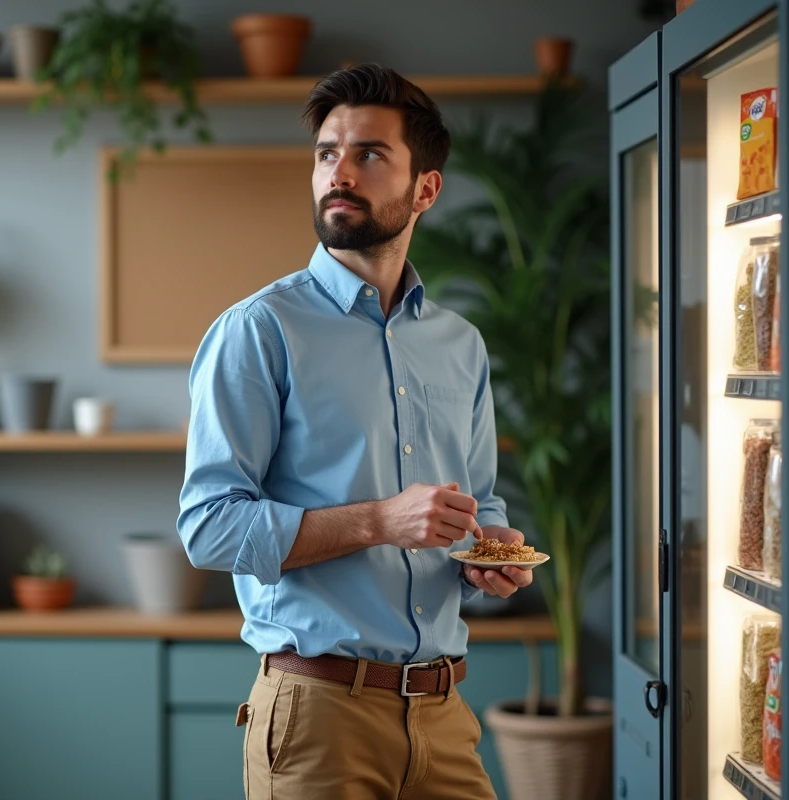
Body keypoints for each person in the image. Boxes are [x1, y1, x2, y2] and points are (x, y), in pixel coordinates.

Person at [176, 63, 535, 800]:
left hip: (444, 715)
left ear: (425, 189)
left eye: (369, 153)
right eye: (327, 153)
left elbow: (479, 503)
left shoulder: (459, 343)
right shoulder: (260, 331)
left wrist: (488, 554)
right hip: (317, 717)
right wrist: (380, 520)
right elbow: (208, 528)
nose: (339, 171)